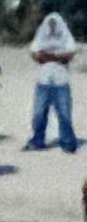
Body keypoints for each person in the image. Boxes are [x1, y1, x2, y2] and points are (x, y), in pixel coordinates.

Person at [28, 11, 77, 151]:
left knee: (64, 114)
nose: (53, 26)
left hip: (61, 81)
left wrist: (48, 56)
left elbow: (70, 54)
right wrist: (57, 57)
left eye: (55, 23)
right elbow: (35, 55)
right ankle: (37, 140)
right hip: (43, 81)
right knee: (38, 113)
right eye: (50, 23)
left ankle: (68, 143)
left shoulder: (66, 37)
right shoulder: (41, 36)